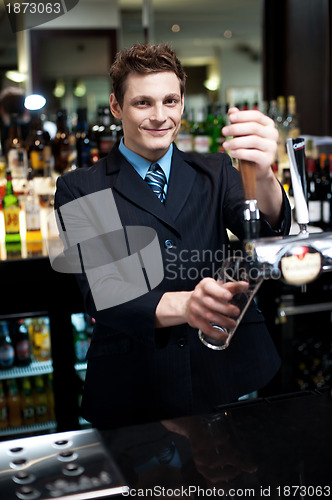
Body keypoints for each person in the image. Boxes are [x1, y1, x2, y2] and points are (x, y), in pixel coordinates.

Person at [54, 43, 291, 429]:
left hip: (226, 372)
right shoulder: (82, 187)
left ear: (182, 103)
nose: (160, 117)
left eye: (170, 101)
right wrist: (187, 306)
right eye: (143, 103)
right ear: (116, 107)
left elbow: (266, 230)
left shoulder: (215, 170)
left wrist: (263, 175)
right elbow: (104, 292)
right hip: (135, 383)